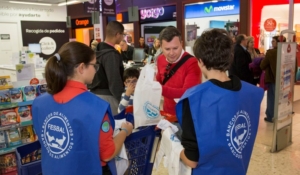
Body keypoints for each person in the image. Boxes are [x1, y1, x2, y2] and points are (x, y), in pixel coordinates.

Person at [32, 41, 133, 175]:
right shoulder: (97, 107)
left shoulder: (39, 103)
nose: (95, 70)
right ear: (81, 68)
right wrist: (125, 131)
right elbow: (107, 154)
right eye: (94, 65)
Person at [176, 29, 264, 174]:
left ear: (201, 61)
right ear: (230, 57)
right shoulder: (252, 93)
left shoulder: (194, 99)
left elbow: (192, 159)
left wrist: (172, 145)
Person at [156, 26, 201, 116]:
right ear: (161, 47)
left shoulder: (192, 63)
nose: (171, 53)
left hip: (186, 116)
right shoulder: (160, 59)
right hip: (167, 113)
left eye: (175, 48)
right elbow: (159, 81)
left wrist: (157, 88)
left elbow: (187, 93)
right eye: (167, 49)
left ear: (181, 43)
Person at [89, 21, 125, 116]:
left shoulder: (97, 50)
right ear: (117, 34)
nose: (122, 37)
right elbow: (114, 81)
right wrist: (122, 99)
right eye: (122, 34)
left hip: (94, 95)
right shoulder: (111, 54)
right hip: (108, 97)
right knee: (114, 127)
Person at [260, 36, 286, 123]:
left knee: (272, 98)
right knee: (282, 97)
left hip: (272, 78)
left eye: (273, 41)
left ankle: (270, 116)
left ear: (278, 42)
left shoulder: (271, 53)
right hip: (285, 78)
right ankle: (282, 115)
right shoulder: (287, 51)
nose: (272, 42)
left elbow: (262, 65)